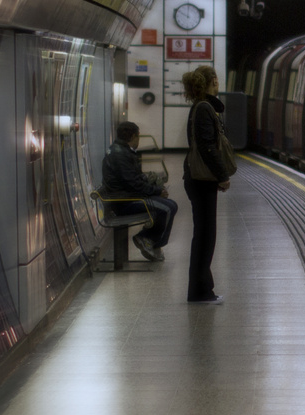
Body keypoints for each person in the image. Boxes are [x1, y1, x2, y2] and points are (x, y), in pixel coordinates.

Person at [182, 65, 235, 304]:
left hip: (198, 180)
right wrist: (222, 175)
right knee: (205, 236)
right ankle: (200, 292)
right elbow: (207, 147)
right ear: (214, 81)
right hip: (200, 180)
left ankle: (202, 289)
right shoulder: (204, 109)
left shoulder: (201, 107)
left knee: (204, 235)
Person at [100, 121, 176, 261]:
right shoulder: (120, 155)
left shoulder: (120, 151)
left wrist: (154, 187)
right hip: (124, 202)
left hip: (126, 197)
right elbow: (133, 184)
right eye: (138, 137)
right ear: (133, 136)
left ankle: (149, 240)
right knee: (168, 208)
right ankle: (148, 240)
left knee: (170, 205)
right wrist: (156, 191)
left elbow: (133, 179)